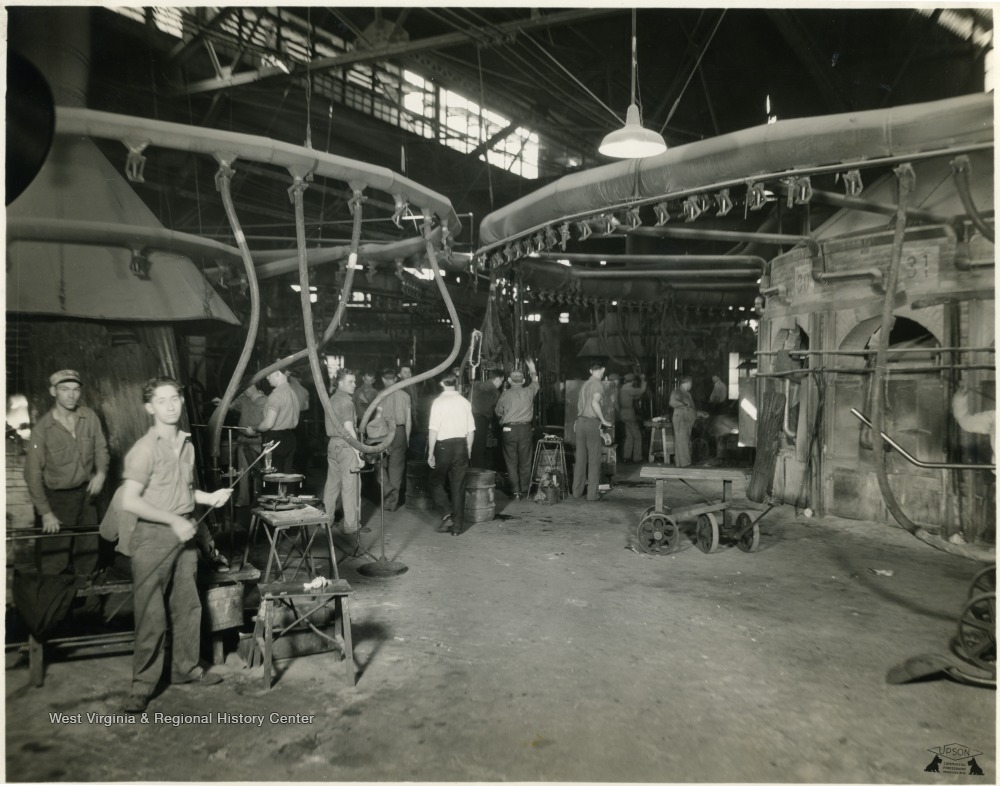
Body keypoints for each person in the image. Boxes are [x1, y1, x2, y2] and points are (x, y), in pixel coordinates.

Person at [119, 377, 231, 713]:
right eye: (161, 400)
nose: (170, 405)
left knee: (188, 606)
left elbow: (185, 491)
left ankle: (186, 669)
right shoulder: (143, 450)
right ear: (149, 407)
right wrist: (173, 520)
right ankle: (141, 686)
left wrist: (209, 496)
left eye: (175, 398)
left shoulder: (187, 444)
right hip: (152, 538)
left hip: (185, 535)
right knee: (152, 615)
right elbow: (129, 501)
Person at [24, 369, 109, 574]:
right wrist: (45, 513)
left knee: (88, 554)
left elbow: (101, 448)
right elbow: (32, 474)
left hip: (87, 496)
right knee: (55, 558)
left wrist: (101, 473)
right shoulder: (41, 430)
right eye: (64, 389)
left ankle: (87, 603)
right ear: (53, 392)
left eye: (75, 389)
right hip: (58, 500)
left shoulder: (89, 417)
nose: (71, 395)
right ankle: (54, 603)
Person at [427, 373, 475, 534]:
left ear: (442, 383)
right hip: (461, 445)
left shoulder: (438, 402)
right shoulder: (464, 402)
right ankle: (457, 527)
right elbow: (471, 430)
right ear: (456, 383)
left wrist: (431, 453)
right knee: (458, 486)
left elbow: (433, 429)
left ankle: (447, 514)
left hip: (443, 447)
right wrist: (468, 449)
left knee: (435, 481)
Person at [323, 368, 363, 535]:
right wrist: (358, 453)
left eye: (354, 381)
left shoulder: (332, 398)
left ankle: (326, 521)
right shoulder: (347, 402)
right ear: (340, 383)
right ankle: (351, 526)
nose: (354, 384)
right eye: (350, 382)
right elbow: (348, 430)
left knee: (332, 486)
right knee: (350, 487)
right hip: (346, 446)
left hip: (332, 445)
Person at [495, 360, 540, 500]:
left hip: (509, 429)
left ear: (508, 380)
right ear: (523, 380)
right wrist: (532, 368)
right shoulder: (529, 391)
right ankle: (525, 489)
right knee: (525, 460)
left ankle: (516, 492)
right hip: (525, 429)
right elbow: (535, 381)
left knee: (511, 461)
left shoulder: (505, 394)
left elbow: (498, 412)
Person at [244, 367, 299, 473]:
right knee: (285, 478)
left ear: (278, 374)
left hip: (275, 441)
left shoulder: (276, 395)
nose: (267, 378)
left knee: (271, 479)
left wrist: (254, 428)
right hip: (290, 439)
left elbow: (268, 424)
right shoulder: (292, 393)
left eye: (270, 374)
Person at [572, 361, 612, 501]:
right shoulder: (597, 384)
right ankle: (592, 495)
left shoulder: (585, 385)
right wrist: (603, 420)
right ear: (602, 369)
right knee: (594, 460)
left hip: (580, 423)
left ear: (590, 371)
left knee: (580, 460)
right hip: (591, 423)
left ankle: (576, 492)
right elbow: (595, 403)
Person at [375, 368, 412, 511]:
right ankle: (392, 503)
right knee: (396, 468)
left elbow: (378, 418)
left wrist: (374, 438)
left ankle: (387, 491)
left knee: (378, 466)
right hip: (400, 431)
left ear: (384, 380)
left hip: (384, 431)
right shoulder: (405, 396)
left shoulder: (380, 395)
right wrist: (407, 438)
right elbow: (408, 420)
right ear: (396, 379)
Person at [469, 368, 504, 469]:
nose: (501, 384)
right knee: (479, 449)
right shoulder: (496, 393)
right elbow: (496, 411)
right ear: (497, 379)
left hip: (470, 419)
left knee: (470, 446)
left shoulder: (475, 385)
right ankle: (477, 472)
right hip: (481, 421)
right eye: (501, 381)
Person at [669, 376, 699, 468]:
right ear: (688, 383)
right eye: (691, 383)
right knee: (682, 440)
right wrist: (683, 404)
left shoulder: (687, 393)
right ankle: (685, 463)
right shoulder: (677, 391)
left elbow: (692, 407)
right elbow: (672, 403)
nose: (691, 385)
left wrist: (698, 413)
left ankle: (679, 463)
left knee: (682, 440)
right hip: (681, 418)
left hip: (686, 419)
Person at [618, 372, 648, 463]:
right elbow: (641, 390)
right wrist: (643, 380)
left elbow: (634, 396)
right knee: (638, 436)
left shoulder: (622, 389)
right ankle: (637, 458)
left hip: (623, 414)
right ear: (631, 381)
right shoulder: (628, 388)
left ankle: (626, 457)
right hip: (629, 414)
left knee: (629, 436)